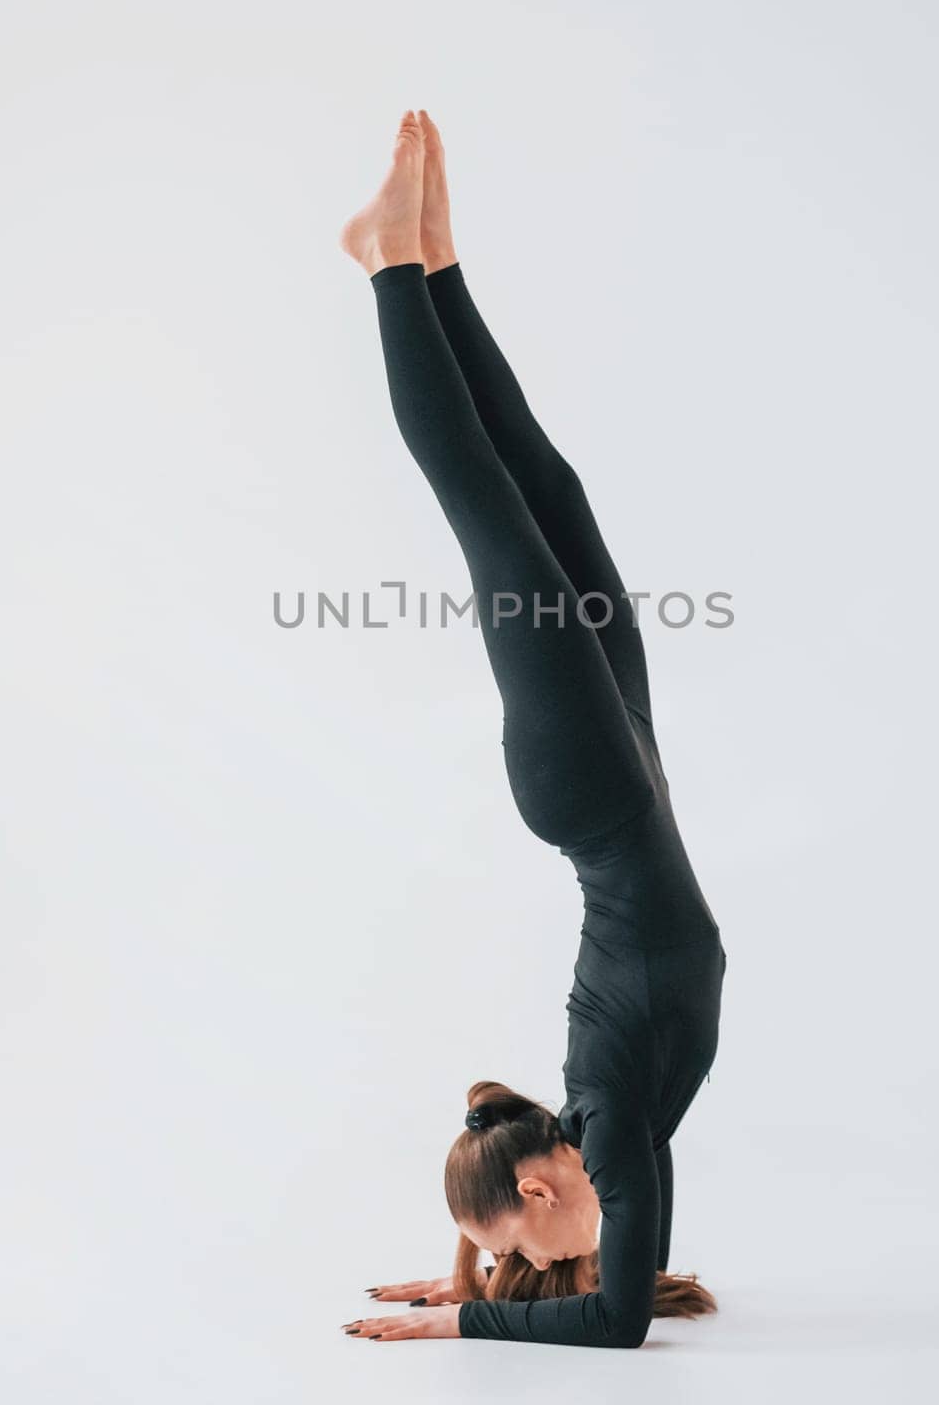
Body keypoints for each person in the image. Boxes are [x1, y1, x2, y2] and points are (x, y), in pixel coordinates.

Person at [337, 111, 726, 1346]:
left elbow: (587, 1302)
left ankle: (390, 269)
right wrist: (469, 1266)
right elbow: (617, 1324)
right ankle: (433, 264)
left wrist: (463, 1302)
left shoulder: (596, 1122)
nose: (533, 1260)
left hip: (591, 794)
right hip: (627, 779)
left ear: (539, 1186)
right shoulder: (606, 1141)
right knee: (546, 497)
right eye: (517, 1261)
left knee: (488, 515)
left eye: (512, 1244)